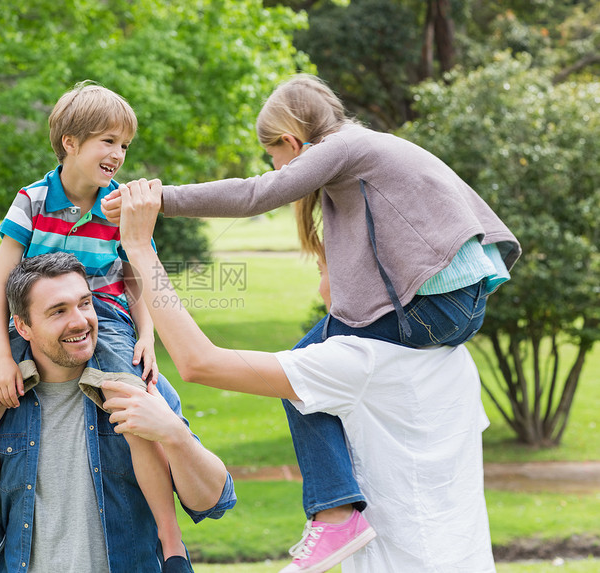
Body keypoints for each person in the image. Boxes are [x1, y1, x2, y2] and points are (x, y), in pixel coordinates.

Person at [103, 74, 519, 571]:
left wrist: (155, 209)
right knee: (304, 370)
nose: (276, 167)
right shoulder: (452, 366)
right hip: (457, 313)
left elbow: (255, 197)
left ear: (292, 142)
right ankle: (337, 511)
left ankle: (335, 515)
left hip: (433, 308)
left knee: (301, 369)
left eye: (273, 155)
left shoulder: (341, 148)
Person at [0, 81, 192, 570]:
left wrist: (145, 335)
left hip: (103, 315)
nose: (119, 154)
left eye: (125, 145)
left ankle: (171, 544)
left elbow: (136, 277)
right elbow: (0, 284)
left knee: (132, 402)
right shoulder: (33, 200)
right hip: (32, 318)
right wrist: (2, 356)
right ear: (71, 143)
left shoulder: (117, 206)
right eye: (108, 141)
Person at [0, 253, 236, 572]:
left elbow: (212, 500)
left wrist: (175, 434)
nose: (80, 321)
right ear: (23, 326)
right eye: (58, 311)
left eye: (85, 303)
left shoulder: (135, 383)